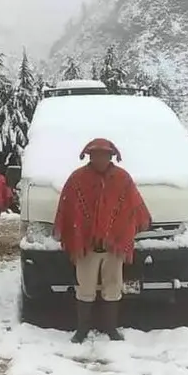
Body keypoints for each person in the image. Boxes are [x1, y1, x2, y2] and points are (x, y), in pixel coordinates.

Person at [54, 138, 152, 343]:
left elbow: (133, 205)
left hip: (113, 246)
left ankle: (110, 327)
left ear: (111, 156)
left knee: (113, 286)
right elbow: (68, 208)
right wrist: (73, 232)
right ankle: (82, 329)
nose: (100, 158)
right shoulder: (77, 179)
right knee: (85, 287)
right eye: (96, 155)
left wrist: (139, 222)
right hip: (86, 246)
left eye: (105, 155)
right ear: (89, 156)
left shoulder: (123, 179)